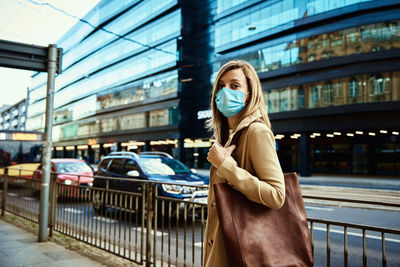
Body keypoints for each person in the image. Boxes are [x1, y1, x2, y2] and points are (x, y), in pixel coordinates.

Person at [204, 60, 285, 266]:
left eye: (235, 85)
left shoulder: (257, 132)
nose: (225, 92)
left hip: (241, 252)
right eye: (221, 86)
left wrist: (227, 167)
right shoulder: (229, 136)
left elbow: (277, 195)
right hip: (225, 249)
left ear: (250, 94)